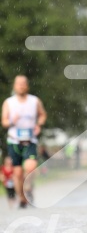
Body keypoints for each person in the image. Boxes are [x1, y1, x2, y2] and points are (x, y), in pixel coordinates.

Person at [1, 75, 47, 207]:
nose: (21, 86)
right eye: (18, 83)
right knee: (18, 173)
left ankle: (27, 189)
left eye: (23, 83)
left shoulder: (34, 101)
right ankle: (22, 198)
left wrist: (39, 124)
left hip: (30, 140)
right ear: (14, 86)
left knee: (31, 167)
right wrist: (11, 121)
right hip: (14, 141)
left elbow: (42, 115)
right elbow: (4, 121)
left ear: (27, 85)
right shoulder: (9, 102)